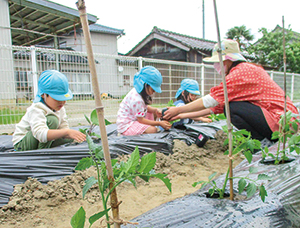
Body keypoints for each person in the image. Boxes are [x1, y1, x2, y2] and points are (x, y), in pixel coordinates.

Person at [163, 39, 299, 142]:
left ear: (227, 60)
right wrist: (181, 115)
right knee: (228, 107)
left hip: (281, 122)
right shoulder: (245, 70)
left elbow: (211, 101)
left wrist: (178, 110)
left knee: (232, 108)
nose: (216, 66)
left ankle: (263, 142)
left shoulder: (241, 73)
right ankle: (265, 140)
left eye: (218, 62)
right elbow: (215, 107)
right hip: (286, 121)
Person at [12, 70, 86, 151]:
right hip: (23, 144)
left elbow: (64, 128)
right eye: (57, 98)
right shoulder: (37, 108)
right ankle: (43, 153)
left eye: (64, 98)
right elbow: (40, 134)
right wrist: (67, 132)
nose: (62, 102)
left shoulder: (60, 108)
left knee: (69, 139)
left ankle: (46, 149)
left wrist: (77, 136)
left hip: (41, 141)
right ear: (43, 95)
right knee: (52, 120)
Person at [117, 66, 171, 135]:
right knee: (153, 130)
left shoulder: (138, 92)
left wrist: (155, 110)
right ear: (145, 85)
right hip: (127, 126)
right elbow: (141, 120)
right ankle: (127, 134)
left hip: (134, 119)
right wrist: (159, 123)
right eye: (153, 89)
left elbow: (143, 108)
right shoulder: (137, 100)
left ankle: (145, 129)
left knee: (151, 113)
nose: (154, 92)